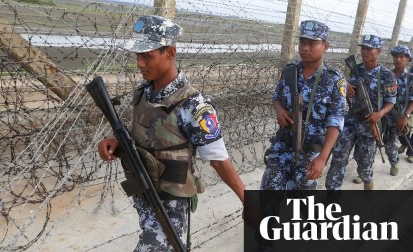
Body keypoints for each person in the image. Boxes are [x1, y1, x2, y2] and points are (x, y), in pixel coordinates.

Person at [97, 15, 245, 251]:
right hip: (144, 190)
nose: (140, 63)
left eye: (147, 55)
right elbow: (144, 139)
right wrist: (114, 142)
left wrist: (246, 198)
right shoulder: (143, 93)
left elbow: (217, 158)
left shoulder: (193, 104)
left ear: (170, 53)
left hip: (171, 202)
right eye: (137, 55)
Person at [261, 20, 347, 190]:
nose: (305, 48)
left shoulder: (334, 79)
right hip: (282, 147)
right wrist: (279, 111)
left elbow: (336, 120)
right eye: (302, 42)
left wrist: (323, 157)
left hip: (310, 154)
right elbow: (277, 97)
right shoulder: (290, 70)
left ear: (325, 46)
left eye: (312, 43)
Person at [326, 35, 397, 190]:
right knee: (339, 157)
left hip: (370, 124)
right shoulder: (355, 69)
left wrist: (380, 114)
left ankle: (367, 178)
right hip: (350, 121)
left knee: (364, 160)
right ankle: (332, 193)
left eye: (369, 49)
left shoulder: (387, 75)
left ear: (378, 51)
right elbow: (345, 88)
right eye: (363, 48)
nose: (365, 52)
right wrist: (347, 89)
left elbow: (391, 102)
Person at [384, 45, 413, 175]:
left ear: (407, 59)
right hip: (383, 115)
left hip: (399, 117)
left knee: (390, 145)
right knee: (371, 142)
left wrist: (405, 116)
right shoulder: (386, 74)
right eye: (396, 56)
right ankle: (364, 171)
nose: (398, 59)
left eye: (402, 57)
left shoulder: (410, 78)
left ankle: (394, 162)